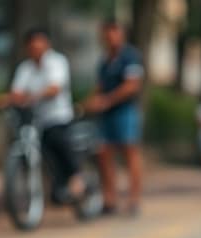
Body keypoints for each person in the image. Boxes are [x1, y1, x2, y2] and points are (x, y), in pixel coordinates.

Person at [7, 28, 84, 201]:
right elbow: (16, 93)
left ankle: (76, 177)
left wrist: (31, 96)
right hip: (36, 120)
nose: (36, 48)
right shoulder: (25, 68)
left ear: (46, 44)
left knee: (58, 142)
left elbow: (55, 88)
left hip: (58, 117)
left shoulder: (57, 62)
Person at [84, 20, 144, 216]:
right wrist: (91, 101)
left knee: (129, 152)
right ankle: (110, 198)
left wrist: (108, 100)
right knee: (103, 153)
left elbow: (132, 85)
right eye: (107, 33)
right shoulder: (105, 60)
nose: (111, 37)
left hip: (125, 111)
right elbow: (100, 86)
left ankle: (134, 199)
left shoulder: (130, 56)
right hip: (106, 114)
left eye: (114, 32)